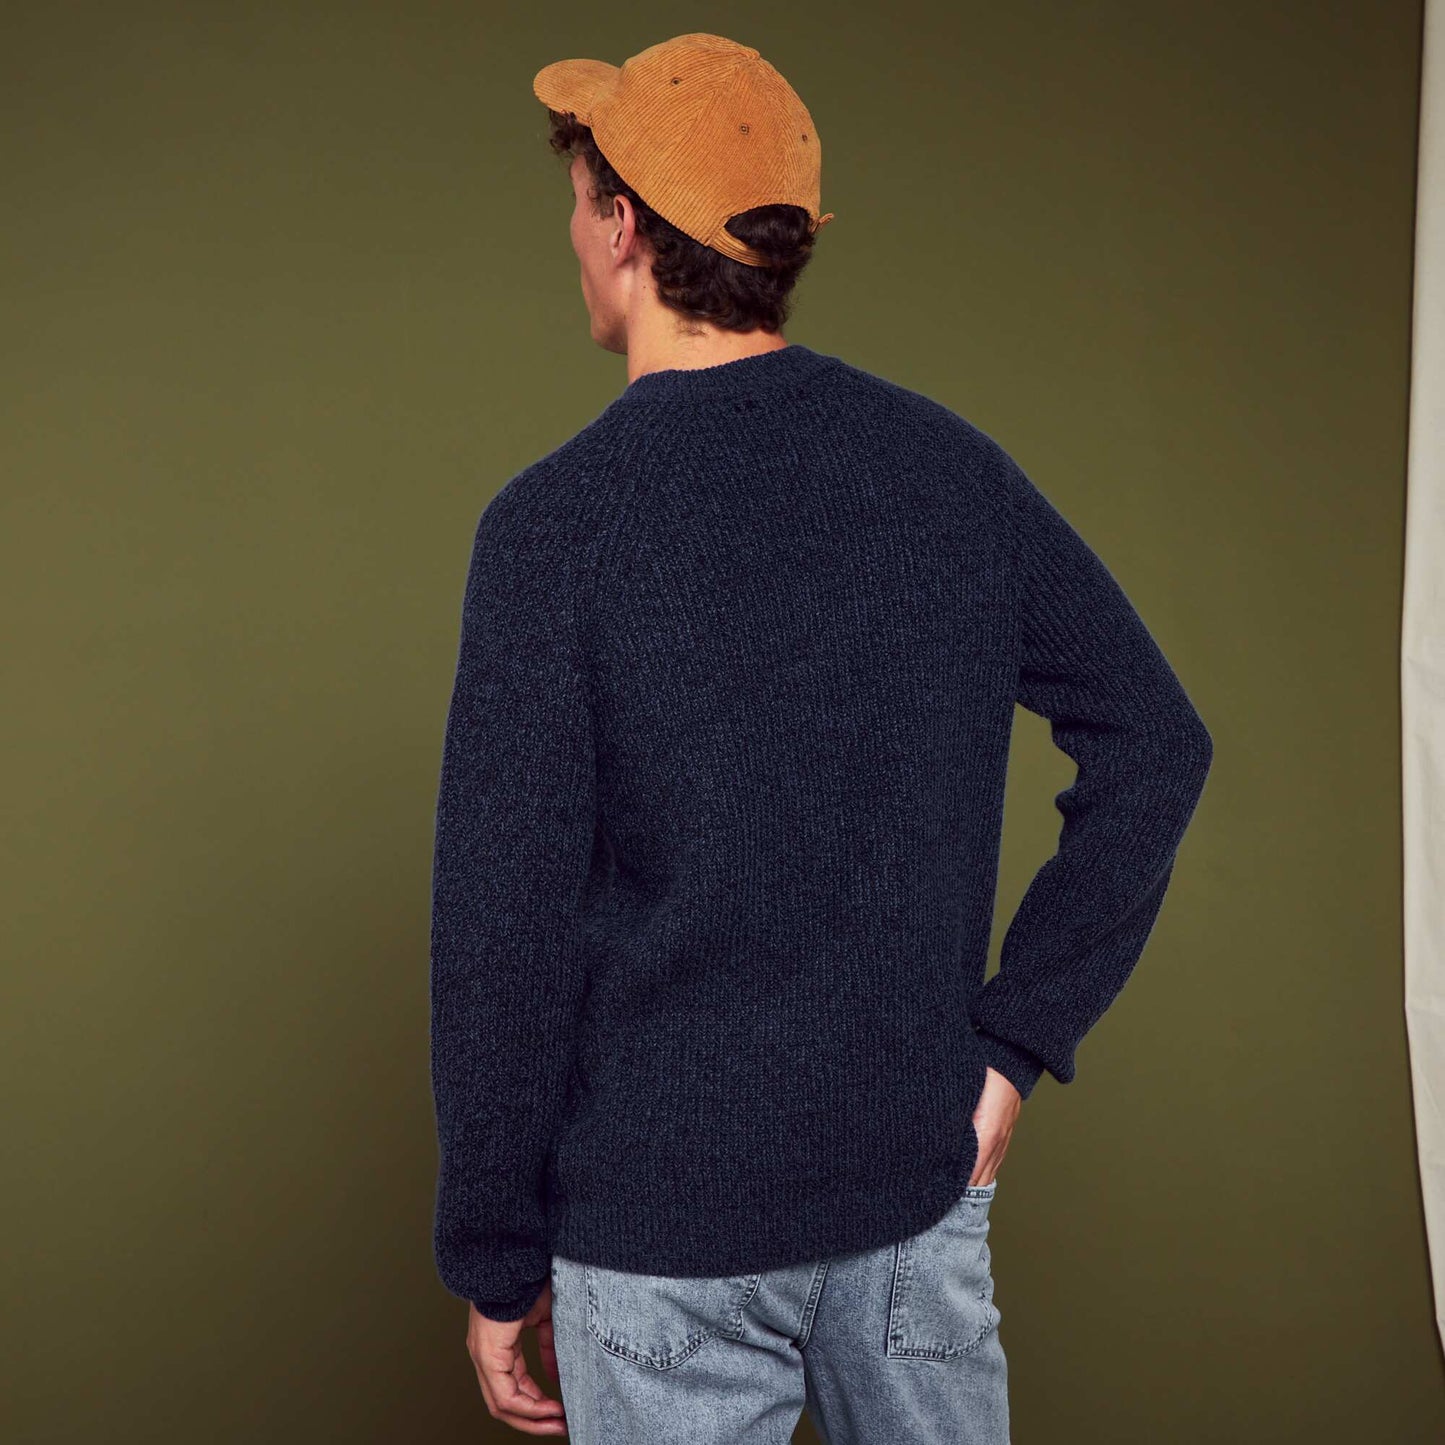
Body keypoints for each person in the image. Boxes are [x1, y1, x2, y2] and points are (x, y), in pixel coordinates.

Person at [428, 30, 1213, 1444]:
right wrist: (1013, 1046)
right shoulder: (947, 473)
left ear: (621, 225)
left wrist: (493, 1255)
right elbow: (1157, 740)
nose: (575, 234)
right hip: (911, 1190)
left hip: (658, 1230)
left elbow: (504, 924)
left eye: (582, 204)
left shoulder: (553, 527)